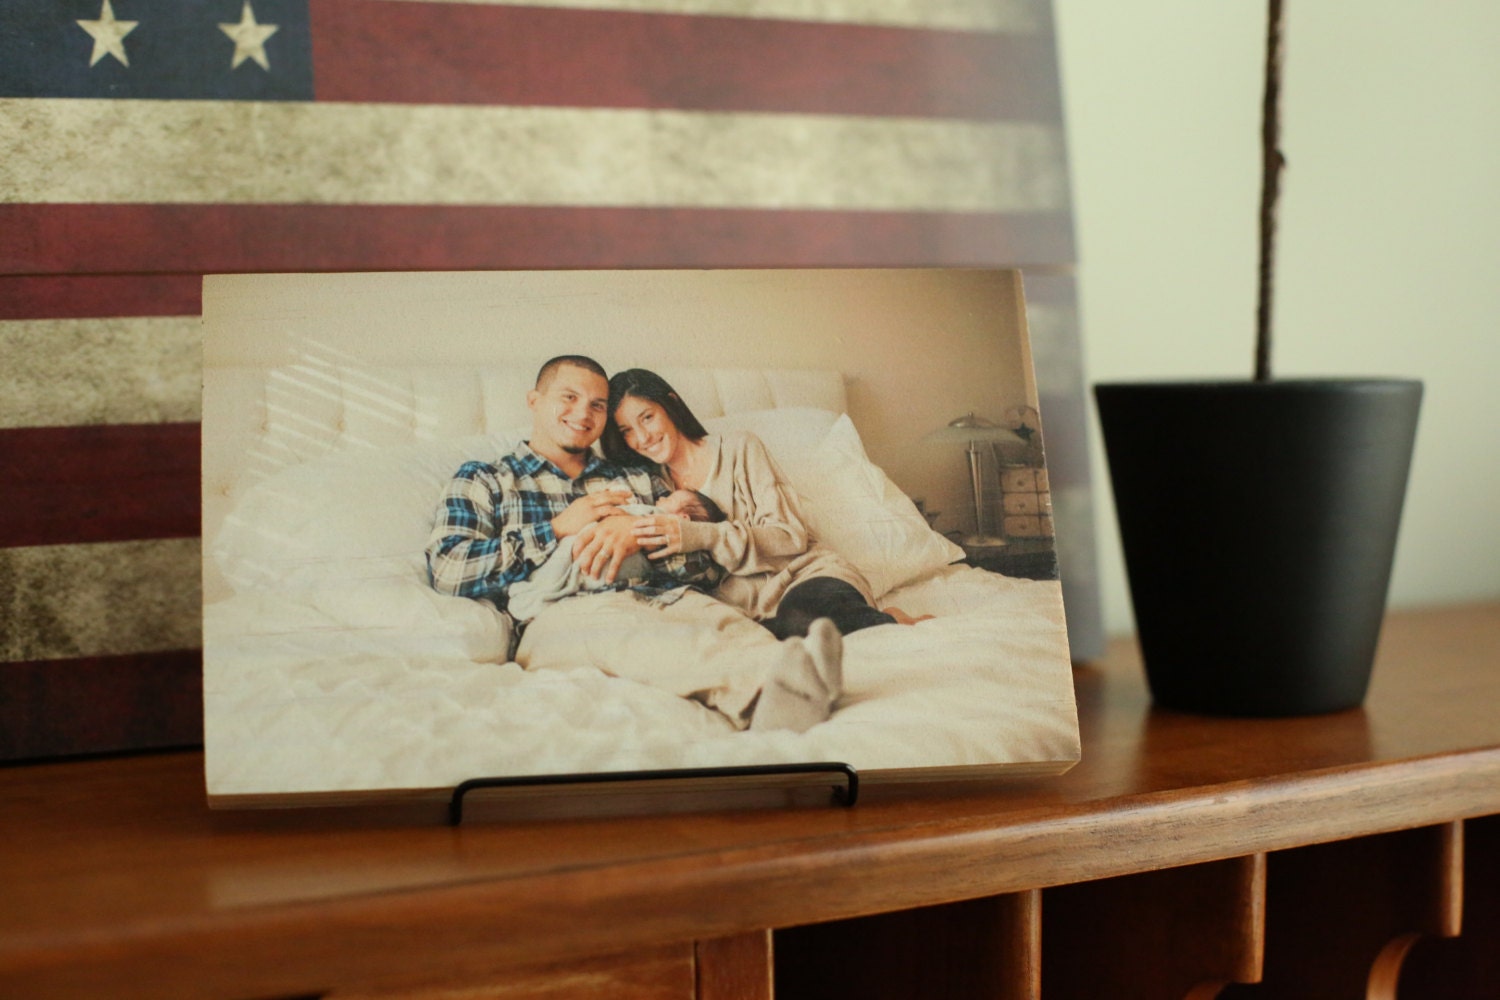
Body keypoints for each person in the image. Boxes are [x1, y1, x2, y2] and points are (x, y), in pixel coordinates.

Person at [425, 355, 844, 733]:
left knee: (729, 626)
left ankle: (797, 678)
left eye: (597, 405)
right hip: (566, 610)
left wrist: (638, 535)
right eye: (568, 397)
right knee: (637, 638)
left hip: (669, 595)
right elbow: (450, 570)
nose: (583, 414)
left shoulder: (634, 477)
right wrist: (556, 529)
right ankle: (763, 694)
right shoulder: (486, 479)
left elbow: (709, 569)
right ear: (534, 400)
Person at [601, 368, 919, 641]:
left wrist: (700, 534)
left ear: (670, 405)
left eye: (647, 417)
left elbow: (790, 535)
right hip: (742, 608)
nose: (642, 438)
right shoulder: (648, 486)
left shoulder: (740, 448)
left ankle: (895, 620)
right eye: (627, 430)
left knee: (801, 619)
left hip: (805, 575)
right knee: (754, 640)